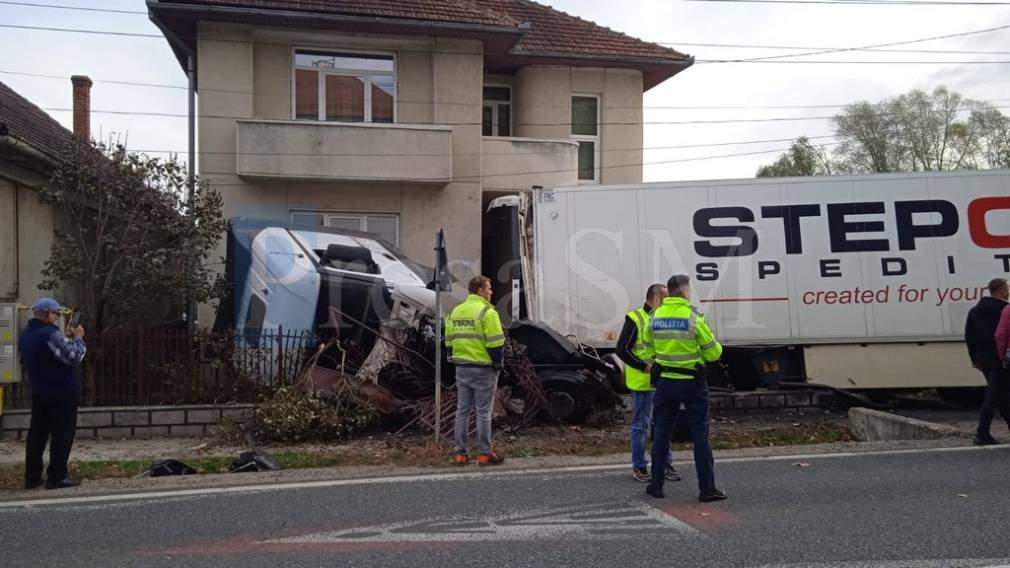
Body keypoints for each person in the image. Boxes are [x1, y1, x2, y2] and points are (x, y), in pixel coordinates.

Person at [642, 275, 725, 502]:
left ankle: (656, 486)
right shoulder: (694, 317)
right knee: (700, 434)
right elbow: (714, 353)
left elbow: (646, 348)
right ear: (686, 292)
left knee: (661, 433)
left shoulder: (654, 316)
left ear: (668, 292)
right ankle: (707, 489)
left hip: (665, 383)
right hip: (692, 383)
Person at [19, 298, 86, 490]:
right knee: (62, 433)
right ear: (48, 314)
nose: (57, 317)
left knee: (37, 434)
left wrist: (66, 339)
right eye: (56, 314)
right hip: (61, 392)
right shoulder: (49, 333)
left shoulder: (27, 334)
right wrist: (79, 337)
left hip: (40, 391)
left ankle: (32, 477)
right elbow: (74, 357)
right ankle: (56, 476)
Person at [616, 283, 680, 483]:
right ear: (653, 299)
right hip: (643, 382)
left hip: (662, 381)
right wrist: (642, 366)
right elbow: (622, 349)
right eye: (663, 300)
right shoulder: (636, 318)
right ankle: (640, 466)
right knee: (641, 426)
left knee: (664, 424)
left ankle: (664, 464)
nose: (666, 303)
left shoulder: (663, 318)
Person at [446, 276, 506, 467]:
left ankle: (460, 455)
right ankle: (484, 454)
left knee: (462, 411)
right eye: (489, 288)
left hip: (462, 368)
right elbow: (496, 344)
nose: (491, 292)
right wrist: (498, 364)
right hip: (483, 369)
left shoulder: (456, 311)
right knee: (483, 413)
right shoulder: (488, 312)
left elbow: (449, 341)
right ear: (480, 290)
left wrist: (454, 358)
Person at [979, 278, 1010, 445]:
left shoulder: (975, 311)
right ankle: (982, 432)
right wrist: (1001, 355)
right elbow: (1000, 335)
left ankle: (983, 432)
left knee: (999, 395)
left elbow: (970, 335)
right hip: (998, 359)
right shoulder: (1004, 309)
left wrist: (974, 358)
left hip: (986, 359)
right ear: (1002, 290)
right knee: (995, 396)